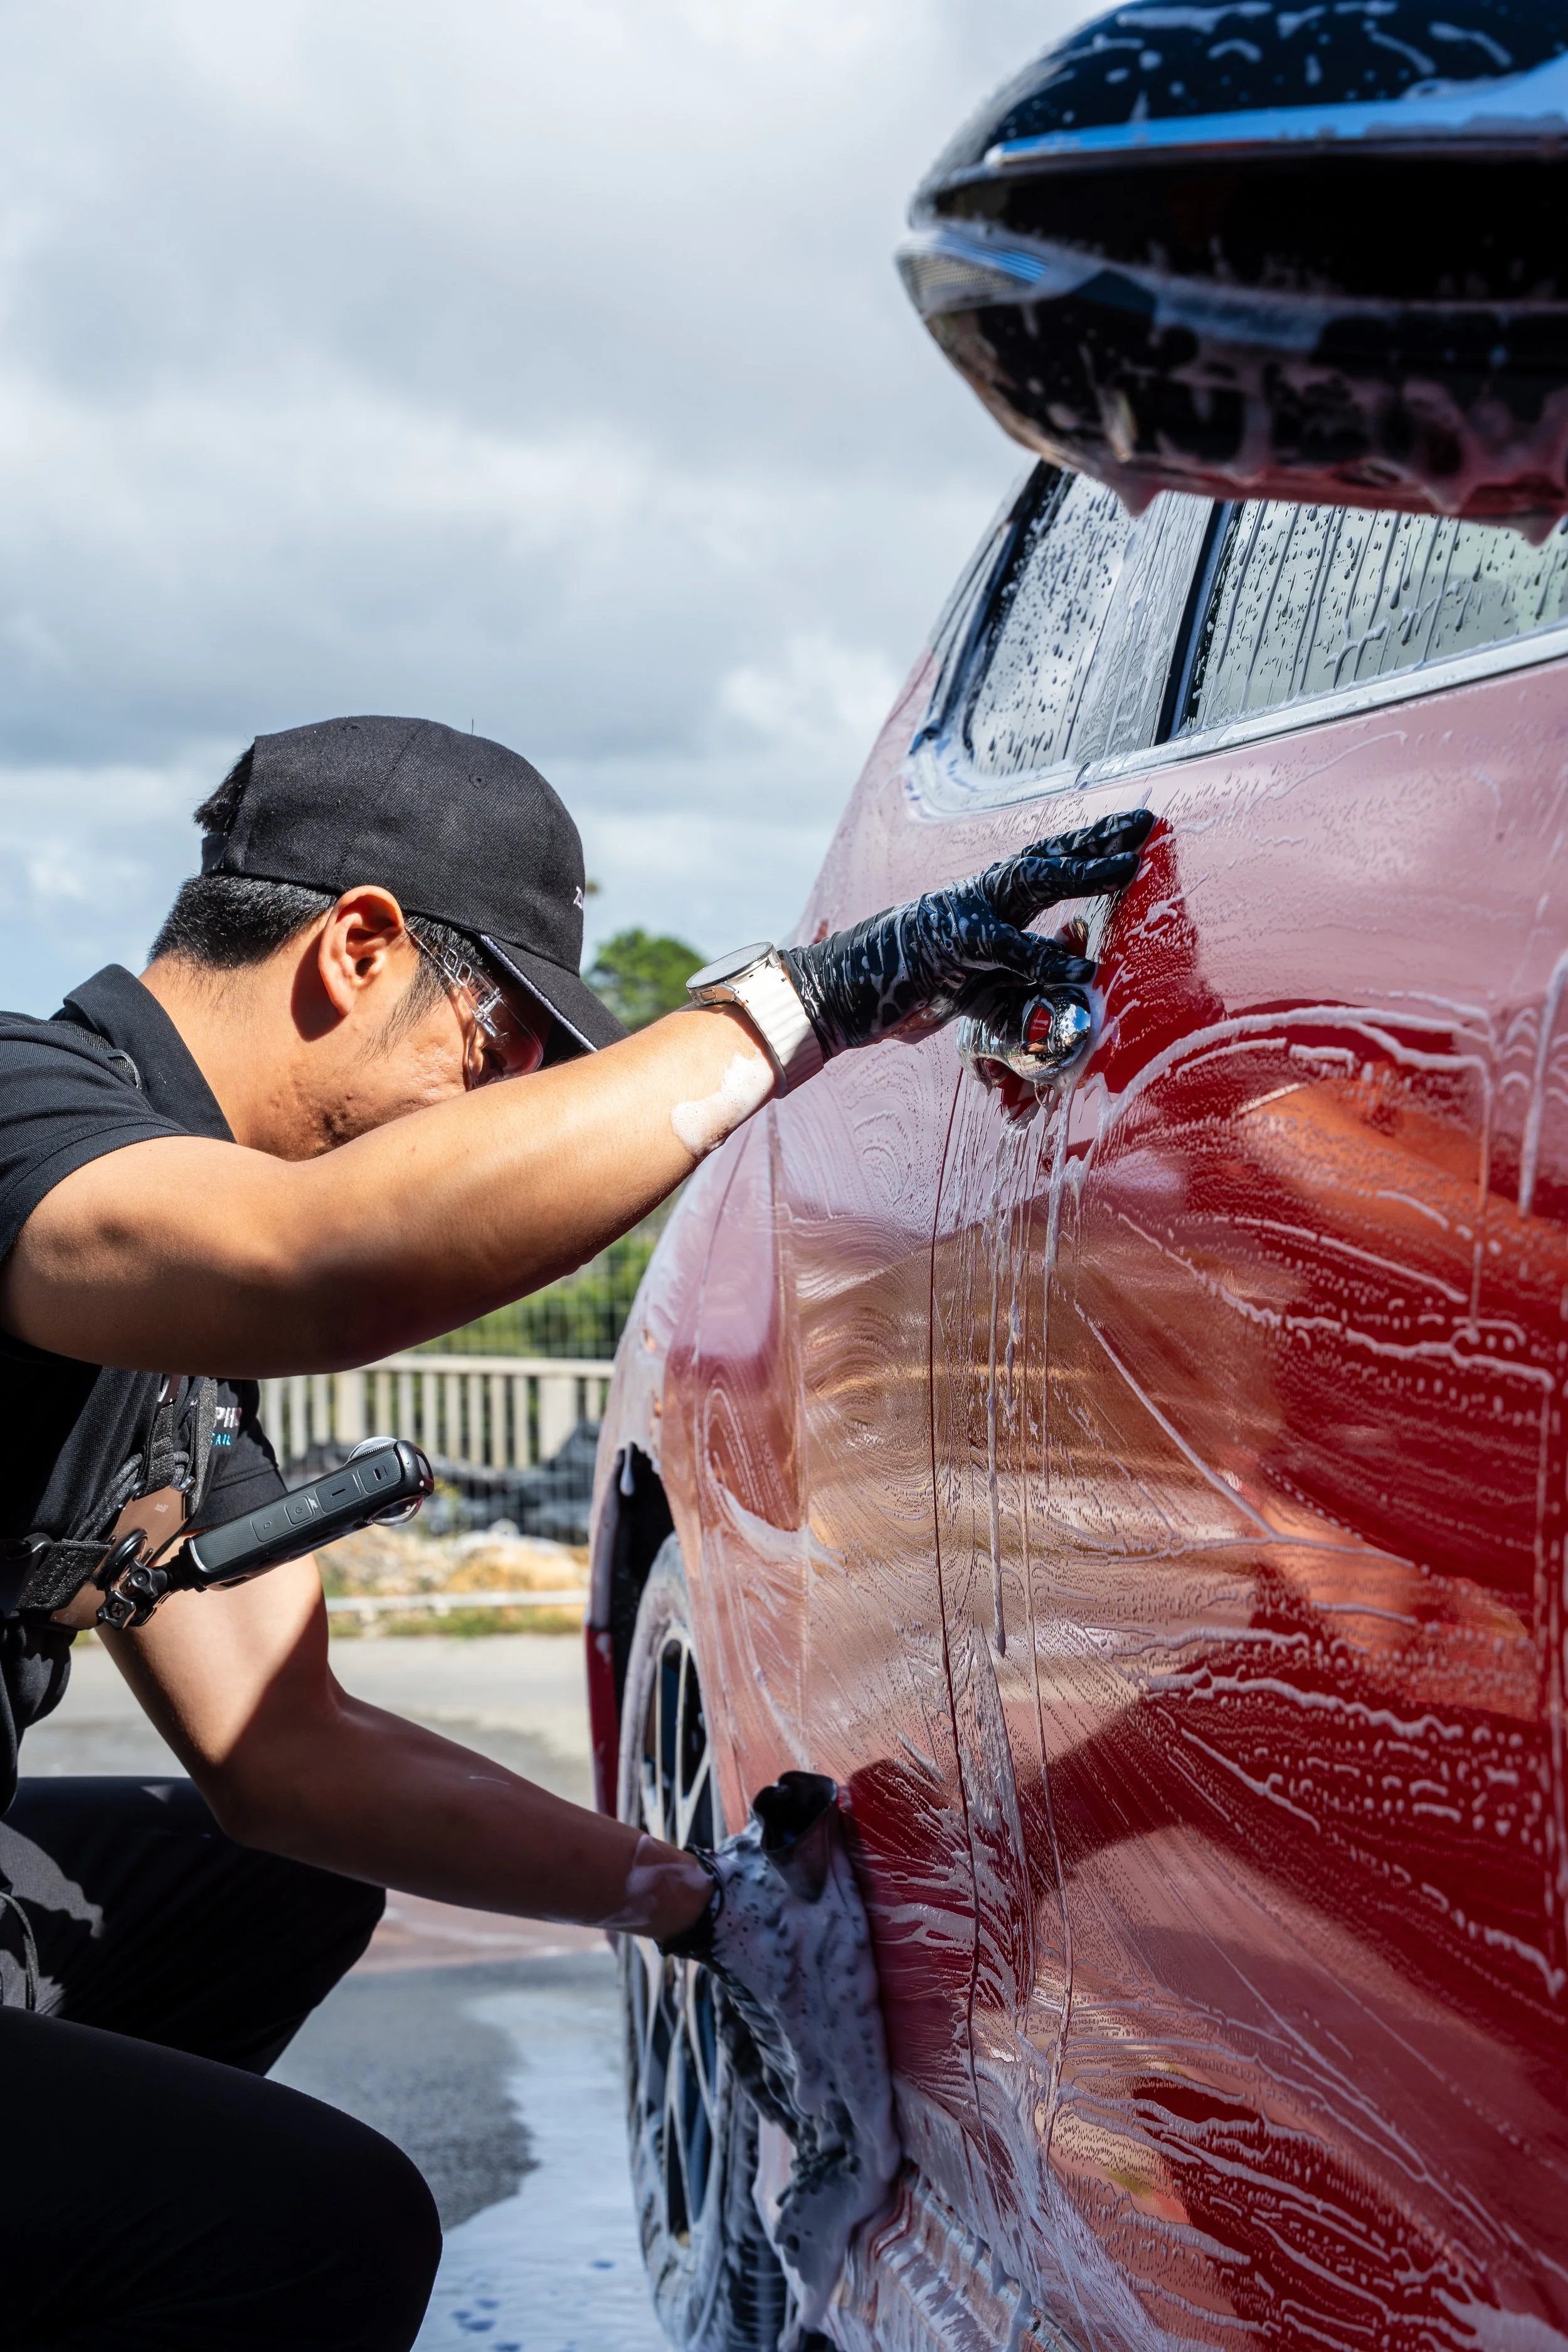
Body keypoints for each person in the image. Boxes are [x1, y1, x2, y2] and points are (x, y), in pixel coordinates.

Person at [0, 713, 1150, 2351]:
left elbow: (293, 1756)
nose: (518, 1104)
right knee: (315, 2230)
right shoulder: (23, 1116)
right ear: (358, 947)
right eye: (508, 1043)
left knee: (265, 1884)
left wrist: (695, 1903)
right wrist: (799, 1007)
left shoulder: (154, 1305)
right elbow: (311, 1261)